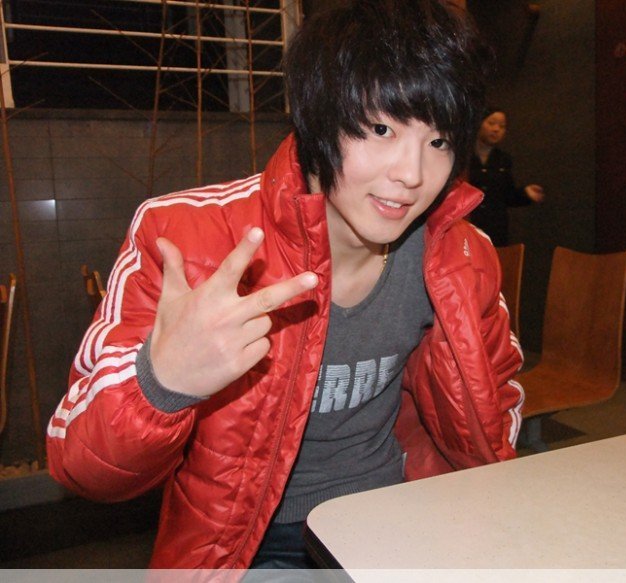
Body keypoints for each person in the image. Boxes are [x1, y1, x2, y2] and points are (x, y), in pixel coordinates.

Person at [46, 0, 524, 571]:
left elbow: (499, 396)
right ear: (317, 117)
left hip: (401, 516)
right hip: (251, 542)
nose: (412, 174)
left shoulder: (459, 253)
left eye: (439, 141)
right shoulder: (187, 238)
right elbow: (80, 465)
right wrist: (162, 381)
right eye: (381, 129)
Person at [467, 107, 544, 247]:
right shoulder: (463, 156)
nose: (496, 129)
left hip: (495, 229)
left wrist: (525, 194)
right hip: (467, 224)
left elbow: (506, 195)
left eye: (502, 126)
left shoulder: (503, 159)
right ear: (479, 123)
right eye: (491, 123)